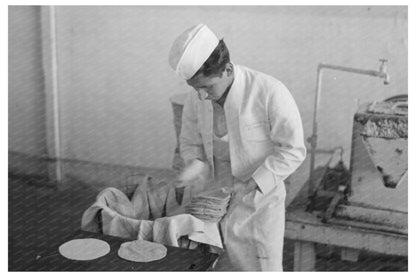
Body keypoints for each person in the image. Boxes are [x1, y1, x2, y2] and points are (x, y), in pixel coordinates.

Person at [168, 24, 306, 271]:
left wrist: (251, 183)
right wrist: (195, 163)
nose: (201, 96)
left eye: (207, 87)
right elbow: (190, 142)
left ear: (228, 70)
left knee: (259, 269)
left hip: (258, 205)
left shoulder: (269, 92)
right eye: (195, 88)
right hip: (211, 201)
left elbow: (292, 150)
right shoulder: (197, 96)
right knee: (212, 265)